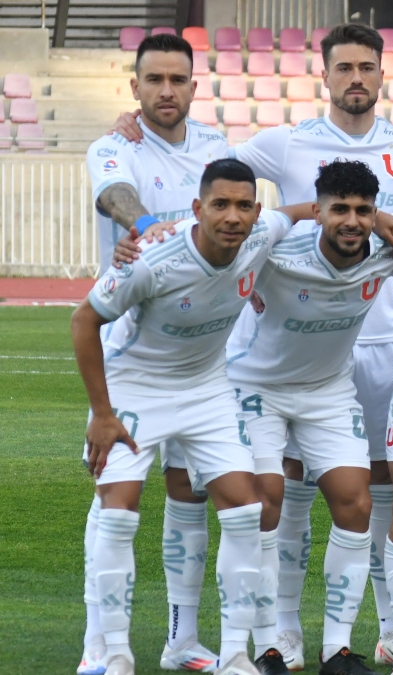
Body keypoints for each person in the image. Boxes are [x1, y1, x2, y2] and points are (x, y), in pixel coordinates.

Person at [110, 24, 393, 667]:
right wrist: (143, 126)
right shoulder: (283, 142)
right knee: (276, 493)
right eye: (343, 66)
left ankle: (382, 634)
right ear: (324, 74)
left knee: (371, 493)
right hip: (278, 350)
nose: (355, 78)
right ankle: (277, 635)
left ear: (381, 74)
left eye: (366, 67)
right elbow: (215, 179)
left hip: (377, 343)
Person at [221, 160, 393, 675]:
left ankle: (336, 650)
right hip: (259, 388)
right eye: (338, 209)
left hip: (328, 392)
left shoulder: (388, 247)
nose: (351, 221)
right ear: (317, 212)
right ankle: (269, 644)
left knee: (356, 502)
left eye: (363, 210)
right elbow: (243, 228)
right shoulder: (277, 248)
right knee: (266, 501)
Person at [71, 159, 298, 675]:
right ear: (197, 209)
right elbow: (84, 321)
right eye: (220, 204)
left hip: (206, 391)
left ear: (256, 211)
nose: (233, 216)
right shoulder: (151, 260)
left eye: (244, 205)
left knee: (246, 511)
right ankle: (113, 652)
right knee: (118, 512)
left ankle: (236, 653)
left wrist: (379, 220)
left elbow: (303, 211)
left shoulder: (261, 236)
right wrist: (102, 415)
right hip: (135, 387)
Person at [81, 32, 229, 675]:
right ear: (134, 86)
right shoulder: (114, 146)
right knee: (117, 501)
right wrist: (147, 228)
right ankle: (104, 648)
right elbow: (116, 198)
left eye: (178, 80)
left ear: (194, 85)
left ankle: (182, 641)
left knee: (189, 496)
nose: (166, 91)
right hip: (132, 356)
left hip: (202, 361)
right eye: (154, 80)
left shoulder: (218, 149)